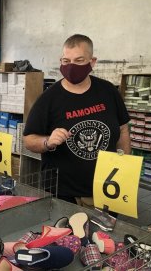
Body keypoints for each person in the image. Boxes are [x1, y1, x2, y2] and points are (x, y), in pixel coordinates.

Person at [23, 34, 131, 208]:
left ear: (92, 61)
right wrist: (47, 141)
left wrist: (125, 165)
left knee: (105, 235)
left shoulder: (108, 92)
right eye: (66, 61)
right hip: (64, 192)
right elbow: (28, 140)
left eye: (79, 60)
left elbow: (123, 129)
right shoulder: (48, 99)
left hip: (107, 188)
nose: (71, 66)